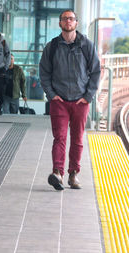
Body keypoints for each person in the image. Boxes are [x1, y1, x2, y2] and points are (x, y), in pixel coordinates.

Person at [39, 10, 100, 191]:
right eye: (65, 19)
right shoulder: (52, 47)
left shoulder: (86, 46)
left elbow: (96, 72)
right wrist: (51, 94)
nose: (68, 21)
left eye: (71, 19)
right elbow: (44, 73)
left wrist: (88, 96)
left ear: (76, 23)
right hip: (59, 100)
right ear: (60, 23)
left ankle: (74, 174)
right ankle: (57, 173)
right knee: (59, 138)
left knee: (77, 139)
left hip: (81, 101)